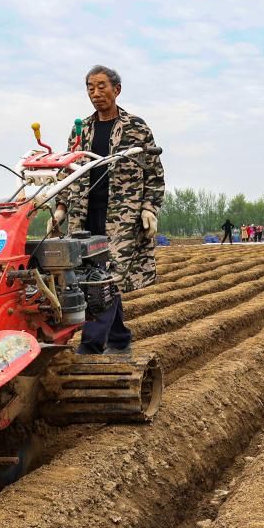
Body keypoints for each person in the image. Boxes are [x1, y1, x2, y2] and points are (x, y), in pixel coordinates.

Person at [50, 65, 165, 354]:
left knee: (108, 276)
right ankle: (119, 337)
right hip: (84, 215)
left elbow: (154, 172)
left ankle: (90, 344)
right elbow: (67, 171)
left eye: (102, 86)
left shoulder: (136, 128)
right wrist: (61, 206)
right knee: (89, 274)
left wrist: (149, 208)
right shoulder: (81, 130)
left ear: (117, 89)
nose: (95, 93)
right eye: (90, 87)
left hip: (121, 218)